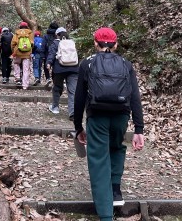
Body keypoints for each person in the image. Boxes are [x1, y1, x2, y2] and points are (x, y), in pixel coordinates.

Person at [73, 27, 145, 220]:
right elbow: (135, 97)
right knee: (116, 147)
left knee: (98, 160)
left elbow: (79, 98)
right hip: (121, 116)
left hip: (97, 117)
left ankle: (106, 216)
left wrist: (78, 127)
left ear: (95, 43)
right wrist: (139, 128)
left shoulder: (87, 63)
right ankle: (115, 190)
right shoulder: (126, 64)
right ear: (116, 44)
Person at [46, 27, 79, 119]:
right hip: (73, 68)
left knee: (57, 88)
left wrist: (49, 63)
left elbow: (51, 54)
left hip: (59, 69)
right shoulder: (72, 42)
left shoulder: (55, 43)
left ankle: (55, 107)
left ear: (56, 34)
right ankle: (73, 112)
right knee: (72, 91)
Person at [11, 21, 34, 89]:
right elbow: (32, 43)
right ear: (27, 26)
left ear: (20, 26)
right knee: (26, 69)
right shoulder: (30, 33)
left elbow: (13, 43)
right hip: (27, 54)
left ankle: (17, 78)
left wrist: (13, 51)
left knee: (16, 64)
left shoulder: (17, 33)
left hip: (17, 53)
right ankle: (25, 85)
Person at [40, 21, 58, 87]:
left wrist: (42, 55)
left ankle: (48, 78)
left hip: (47, 53)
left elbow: (43, 45)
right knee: (55, 67)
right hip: (56, 54)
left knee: (46, 66)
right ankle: (54, 80)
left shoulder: (46, 36)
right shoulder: (57, 35)